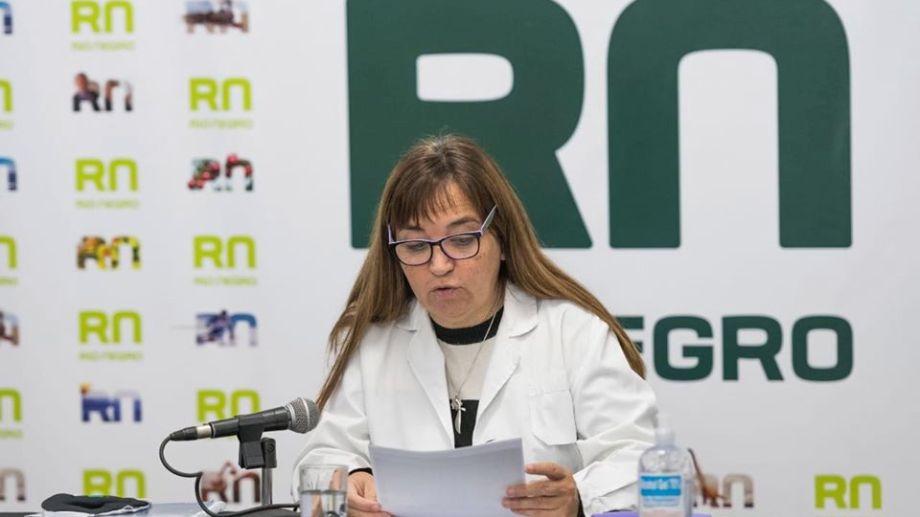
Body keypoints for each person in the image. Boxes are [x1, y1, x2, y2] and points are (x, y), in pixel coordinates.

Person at [293, 134, 657, 517]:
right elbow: (318, 462)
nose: (439, 265)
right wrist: (348, 481)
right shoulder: (370, 341)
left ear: (503, 239)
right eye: (415, 246)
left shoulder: (574, 332)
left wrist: (578, 496)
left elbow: (643, 457)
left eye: (462, 240)